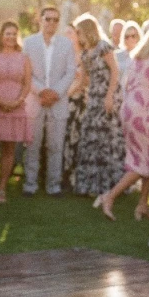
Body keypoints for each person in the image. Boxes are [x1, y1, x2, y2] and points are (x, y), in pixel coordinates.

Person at [96, 24, 149, 221]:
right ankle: (110, 196)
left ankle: (142, 206)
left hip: (130, 108)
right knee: (143, 162)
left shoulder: (139, 57)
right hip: (144, 111)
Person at [22, 6, 77, 196]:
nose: (51, 23)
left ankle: (53, 185)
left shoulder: (66, 44)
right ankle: (30, 184)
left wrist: (56, 92)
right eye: (48, 19)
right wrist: (41, 91)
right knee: (32, 144)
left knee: (55, 145)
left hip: (58, 101)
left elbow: (71, 71)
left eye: (55, 20)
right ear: (41, 19)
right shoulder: (29, 43)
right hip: (35, 100)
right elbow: (25, 71)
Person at [73, 15, 125, 197]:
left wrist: (110, 96)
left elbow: (115, 71)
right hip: (93, 98)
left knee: (107, 139)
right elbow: (85, 80)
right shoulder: (85, 52)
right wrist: (69, 93)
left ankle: (110, 184)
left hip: (107, 95)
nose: (77, 35)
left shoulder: (103, 47)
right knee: (91, 137)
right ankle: (91, 184)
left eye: (79, 31)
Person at [0, 20, 32, 203]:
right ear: (1, 35)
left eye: (14, 34)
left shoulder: (23, 57)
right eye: (8, 33)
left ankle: (1, 188)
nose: (11, 37)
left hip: (16, 107)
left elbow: (27, 84)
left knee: (9, 149)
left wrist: (18, 101)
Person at [62, 23, 87, 192]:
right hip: (63, 100)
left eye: (70, 33)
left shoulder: (85, 55)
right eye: (65, 34)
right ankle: (61, 173)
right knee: (63, 137)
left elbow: (84, 80)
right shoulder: (64, 55)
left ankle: (74, 176)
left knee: (76, 136)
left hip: (78, 101)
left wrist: (66, 94)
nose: (67, 36)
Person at [115, 21, 141, 88]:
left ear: (138, 37)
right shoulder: (116, 55)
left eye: (133, 36)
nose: (130, 39)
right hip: (119, 92)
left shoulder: (142, 56)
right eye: (127, 36)